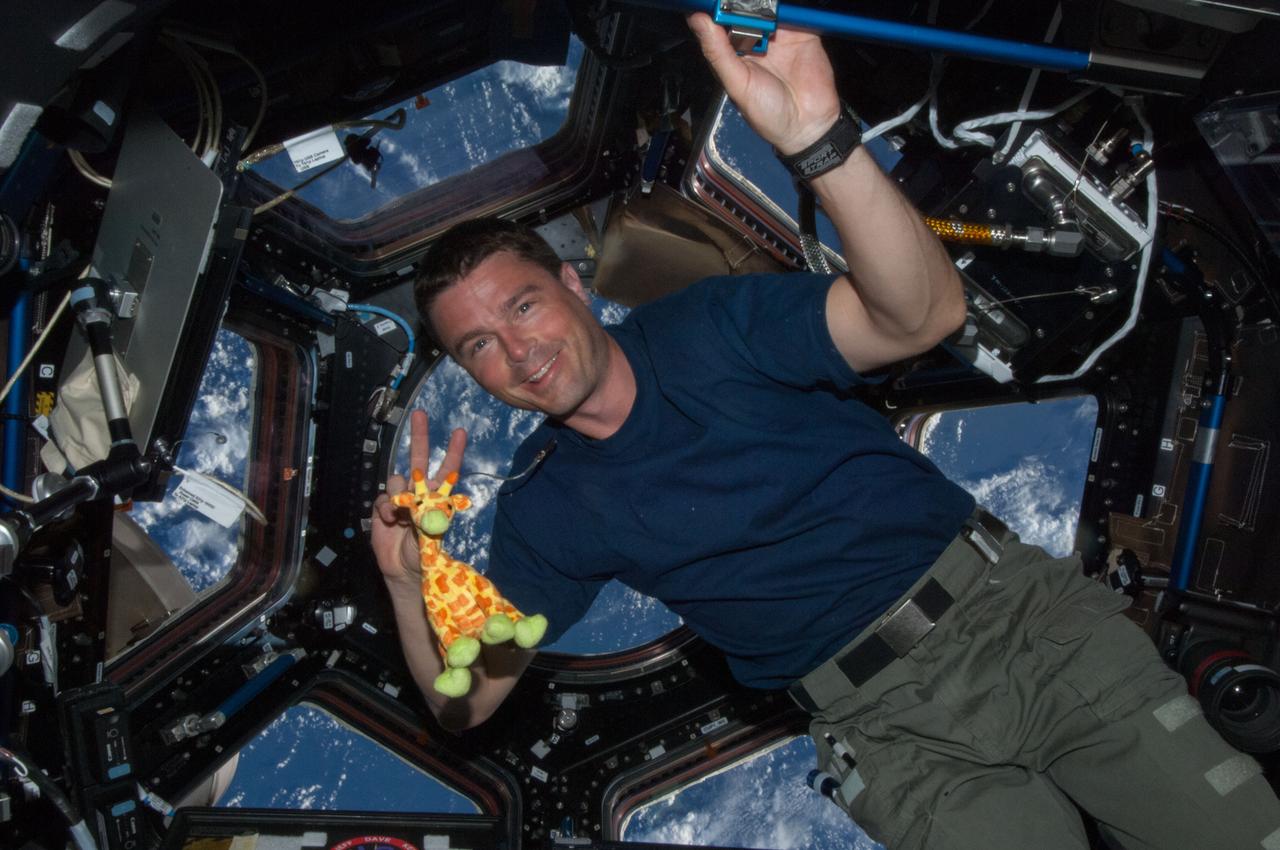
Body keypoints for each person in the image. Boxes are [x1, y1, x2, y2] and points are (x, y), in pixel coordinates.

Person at [371, 13, 1280, 850]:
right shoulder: (547, 510)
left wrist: (820, 143)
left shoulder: (710, 328)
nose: (516, 350)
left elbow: (921, 316)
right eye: (479, 345)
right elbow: (469, 704)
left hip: (1018, 629)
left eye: (523, 306)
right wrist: (409, 585)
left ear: (574, 286)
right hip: (890, 734)